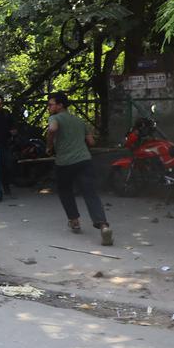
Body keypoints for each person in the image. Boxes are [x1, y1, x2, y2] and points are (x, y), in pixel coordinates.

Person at [46, 91, 112, 246]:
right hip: (84, 161)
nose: (49, 107)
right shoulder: (79, 121)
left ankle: (74, 221)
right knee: (90, 193)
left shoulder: (54, 118)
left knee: (65, 191)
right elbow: (91, 142)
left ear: (60, 105)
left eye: (51, 104)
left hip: (65, 163)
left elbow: (53, 129)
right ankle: (103, 225)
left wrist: (49, 145)